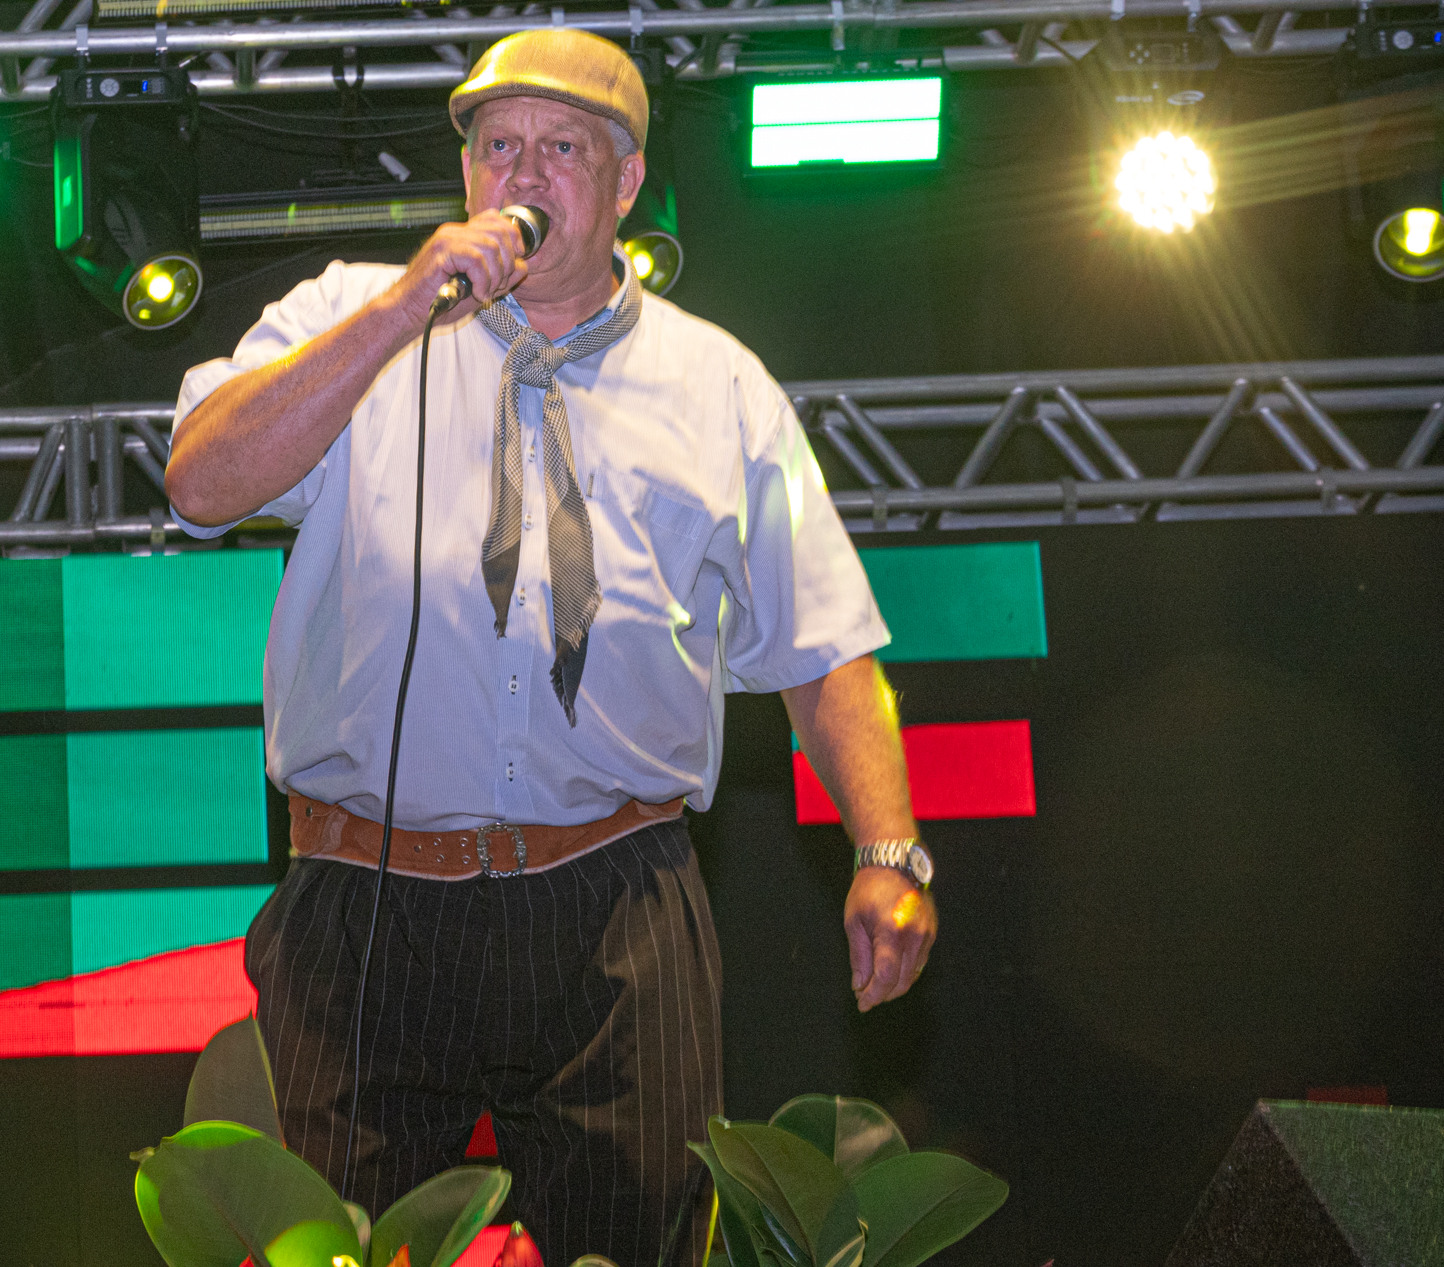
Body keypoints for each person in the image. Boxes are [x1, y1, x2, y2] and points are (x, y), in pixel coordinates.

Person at [163, 28, 937, 1267]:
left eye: (561, 148)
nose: (521, 172)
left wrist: (886, 848)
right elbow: (202, 483)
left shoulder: (716, 383)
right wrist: (401, 311)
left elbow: (822, 641)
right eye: (496, 145)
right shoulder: (349, 314)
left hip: (613, 896)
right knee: (344, 1244)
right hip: (370, 897)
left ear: (624, 184)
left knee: (639, 1243)